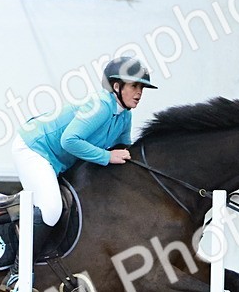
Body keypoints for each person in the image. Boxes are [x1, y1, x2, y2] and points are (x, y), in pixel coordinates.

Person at [11, 56, 157, 260]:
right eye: (134, 86)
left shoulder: (125, 115)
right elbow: (69, 141)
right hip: (34, 149)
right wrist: (107, 156)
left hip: (58, 160)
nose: (139, 93)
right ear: (116, 86)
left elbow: (124, 149)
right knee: (52, 209)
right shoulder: (101, 106)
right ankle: (18, 269)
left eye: (142, 88)